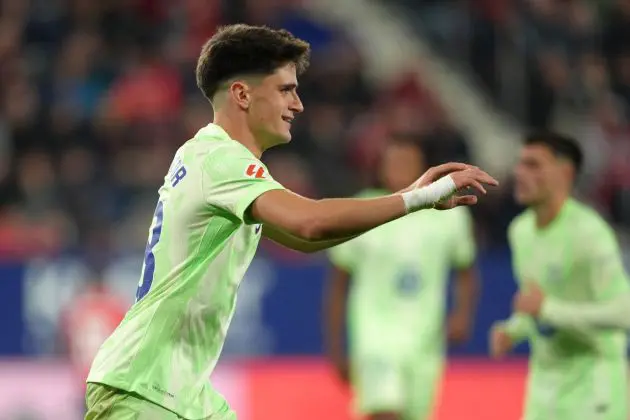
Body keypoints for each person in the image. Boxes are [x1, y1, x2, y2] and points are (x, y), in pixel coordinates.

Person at [85, 24, 498, 420]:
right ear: (242, 94)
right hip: (144, 388)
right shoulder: (220, 159)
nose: (297, 105)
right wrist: (416, 198)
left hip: (180, 392)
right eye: (286, 90)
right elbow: (309, 224)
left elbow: (305, 241)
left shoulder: (210, 158)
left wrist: (406, 201)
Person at [324, 136, 479, 420]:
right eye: (392, 162)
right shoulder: (362, 209)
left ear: (424, 168)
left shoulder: (448, 212)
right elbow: (338, 283)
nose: (399, 169)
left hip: (425, 339)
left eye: (407, 162)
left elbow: (466, 268)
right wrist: (335, 348)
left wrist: (462, 314)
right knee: (384, 411)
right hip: (374, 336)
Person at [490, 132, 630, 420]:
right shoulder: (520, 231)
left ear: (564, 172)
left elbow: (624, 312)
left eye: (533, 165)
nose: (519, 173)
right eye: (520, 164)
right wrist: (513, 329)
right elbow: (537, 305)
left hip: (593, 387)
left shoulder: (589, 233)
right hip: (544, 388)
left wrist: (549, 310)